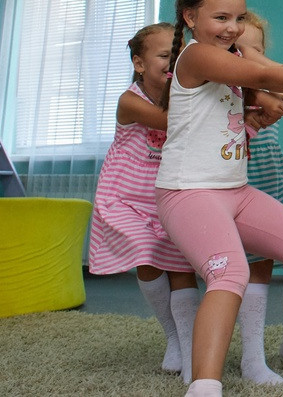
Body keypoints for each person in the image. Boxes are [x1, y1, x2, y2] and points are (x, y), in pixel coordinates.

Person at [155, 0, 283, 397]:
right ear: (190, 17)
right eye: (221, 18)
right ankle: (204, 387)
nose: (232, 27)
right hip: (188, 192)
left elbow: (274, 75)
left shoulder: (234, 53)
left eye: (238, 18)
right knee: (231, 272)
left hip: (235, 191)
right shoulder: (195, 56)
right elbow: (263, 78)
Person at [88, 22, 199, 378]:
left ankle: (189, 349)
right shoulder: (130, 100)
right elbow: (173, 122)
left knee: (180, 266)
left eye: (179, 55)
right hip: (128, 197)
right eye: (165, 55)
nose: (173, 63)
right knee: (146, 255)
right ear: (139, 63)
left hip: (170, 192)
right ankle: (173, 336)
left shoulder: (187, 94)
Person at [234, 11, 283, 382]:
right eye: (242, 51)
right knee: (258, 265)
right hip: (245, 183)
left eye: (258, 50)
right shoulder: (226, 90)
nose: (252, 59)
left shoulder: (269, 84)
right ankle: (252, 358)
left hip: (276, 181)